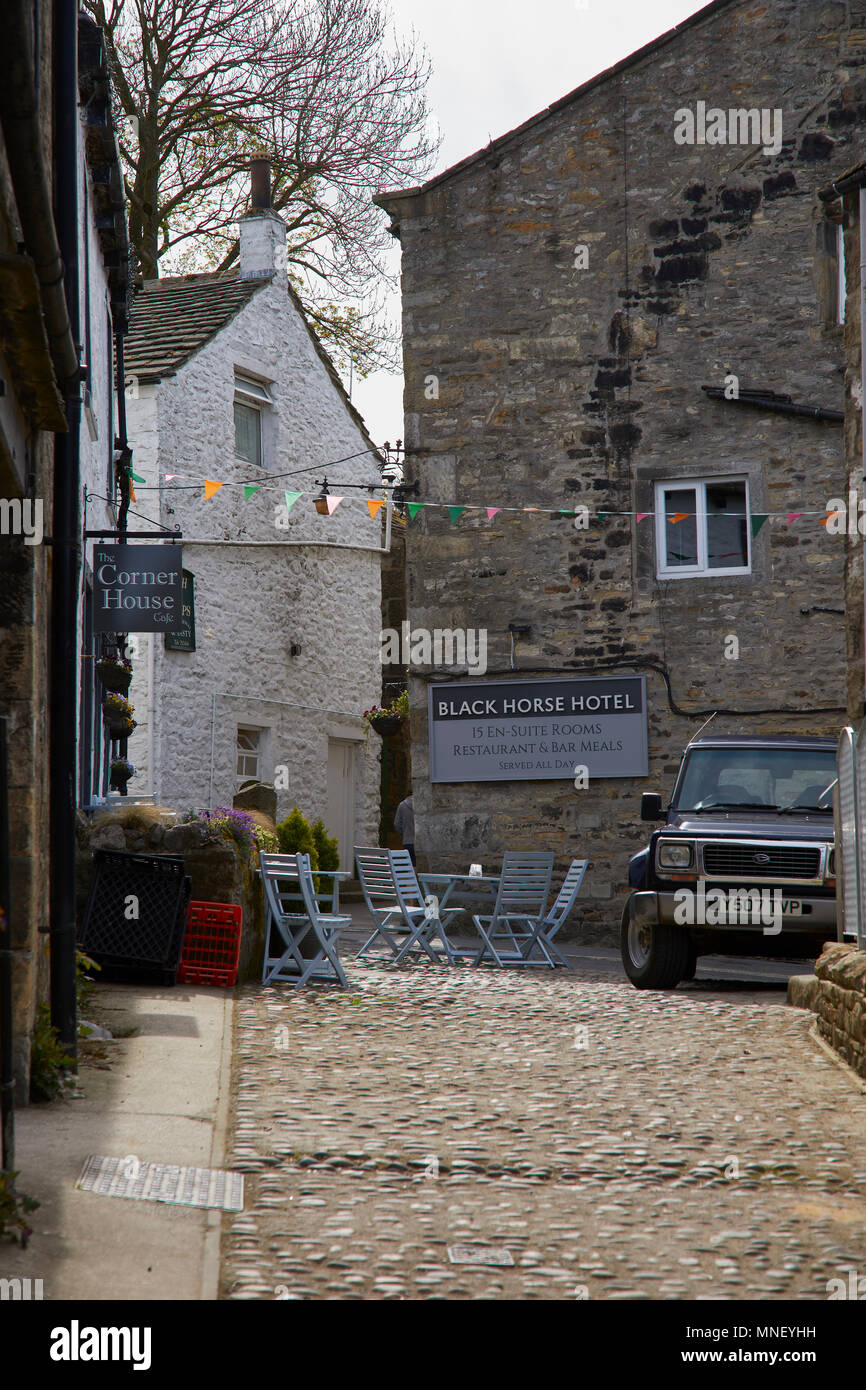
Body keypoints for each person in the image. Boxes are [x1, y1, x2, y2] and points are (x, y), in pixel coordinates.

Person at [394, 792, 415, 864]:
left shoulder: (402, 805)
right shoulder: (422, 805)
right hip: (420, 842)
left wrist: (405, 833)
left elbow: (397, 824)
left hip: (407, 841)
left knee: (411, 864)